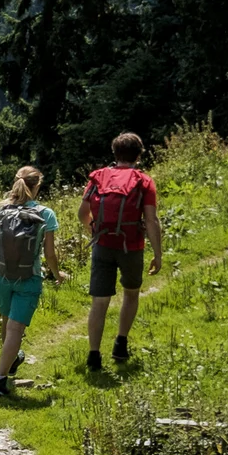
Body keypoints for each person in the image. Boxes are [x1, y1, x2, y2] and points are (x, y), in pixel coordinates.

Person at [0, 165, 65, 399]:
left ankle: (11, 361)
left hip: (1, 276)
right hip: (28, 278)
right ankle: (0, 379)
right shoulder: (45, 213)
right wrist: (57, 274)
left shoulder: (1, 210)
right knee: (15, 329)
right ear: (38, 185)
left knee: (7, 322)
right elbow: (50, 253)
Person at [79, 131, 164, 371]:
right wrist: (157, 254)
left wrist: (94, 232)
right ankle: (120, 343)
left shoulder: (98, 177)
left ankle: (94, 356)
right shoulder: (144, 181)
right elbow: (151, 220)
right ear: (138, 155)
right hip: (132, 246)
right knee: (131, 293)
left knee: (100, 301)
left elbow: (82, 213)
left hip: (103, 245)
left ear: (114, 153)